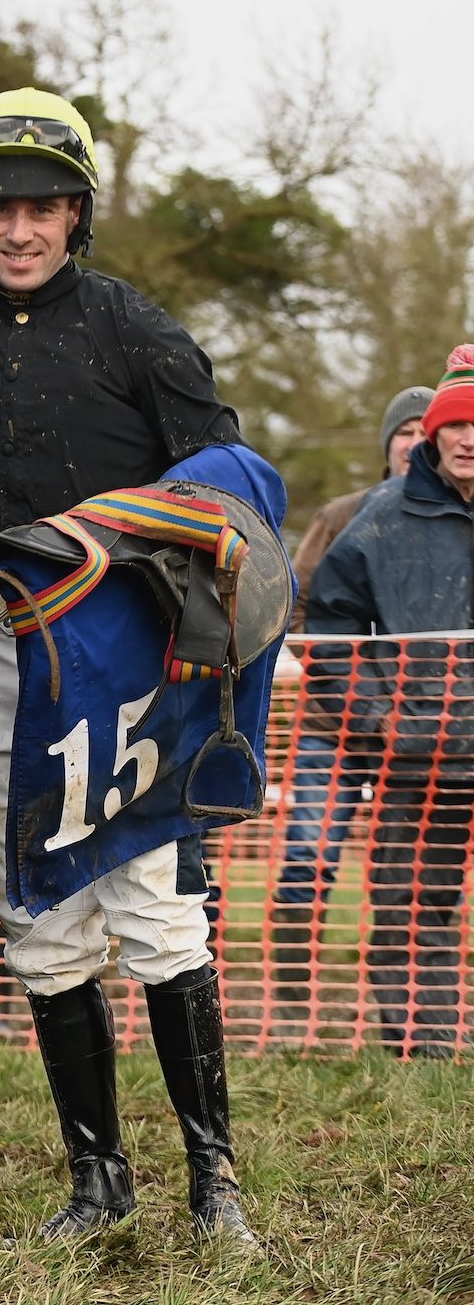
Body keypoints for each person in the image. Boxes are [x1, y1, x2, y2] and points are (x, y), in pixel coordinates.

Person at [0, 87, 259, 1247]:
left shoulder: (139, 329)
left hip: (128, 648)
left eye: (42, 206)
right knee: (41, 915)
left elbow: (227, 476)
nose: (20, 228)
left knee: (155, 908)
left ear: (78, 212)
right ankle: (98, 1182)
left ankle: (215, 1182)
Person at [305, 348, 474, 1060]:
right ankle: (423, 1053)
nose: (468, 437)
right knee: (411, 910)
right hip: (418, 758)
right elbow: (327, 631)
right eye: (455, 424)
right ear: (430, 433)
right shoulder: (379, 519)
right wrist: (381, 721)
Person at [273, 385, 432, 1013]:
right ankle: (290, 999)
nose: (416, 444)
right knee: (309, 852)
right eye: (405, 433)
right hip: (333, 723)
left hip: (425, 726)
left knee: (416, 866)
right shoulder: (344, 515)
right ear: (387, 445)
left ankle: (413, 993)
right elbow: (300, 610)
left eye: (427, 432)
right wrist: (358, 693)